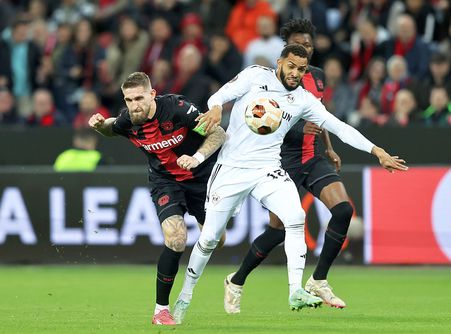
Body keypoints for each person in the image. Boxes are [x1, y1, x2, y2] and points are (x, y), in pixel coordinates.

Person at [172, 44, 408, 324]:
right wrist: (213, 109)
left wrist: (376, 151)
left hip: (268, 168)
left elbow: (340, 128)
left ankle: (295, 290)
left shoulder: (304, 100)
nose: (295, 73)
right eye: (291, 66)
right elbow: (219, 96)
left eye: (301, 69)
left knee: (295, 217)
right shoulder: (255, 76)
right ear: (280, 62)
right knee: (210, 238)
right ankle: (184, 297)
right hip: (232, 169)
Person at [223, 18, 353, 314]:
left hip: (313, 157)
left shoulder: (317, 76)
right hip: (281, 161)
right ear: (286, 50)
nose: (304, 48)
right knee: (278, 231)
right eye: (299, 44)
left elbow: (320, 115)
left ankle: (319, 280)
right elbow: (263, 122)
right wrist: (297, 131)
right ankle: (236, 280)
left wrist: (330, 148)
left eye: (308, 44)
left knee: (343, 209)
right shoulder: (268, 80)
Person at [88, 72, 226, 326]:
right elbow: (112, 128)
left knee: (217, 241)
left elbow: (219, 135)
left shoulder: (176, 109)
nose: (134, 105)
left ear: (152, 94)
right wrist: (100, 125)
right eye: (128, 100)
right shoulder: (129, 119)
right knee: (175, 239)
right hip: (166, 182)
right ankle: (161, 310)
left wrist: (196, 157)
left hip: (201, 178)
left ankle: (204, 223)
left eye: (139, 98)